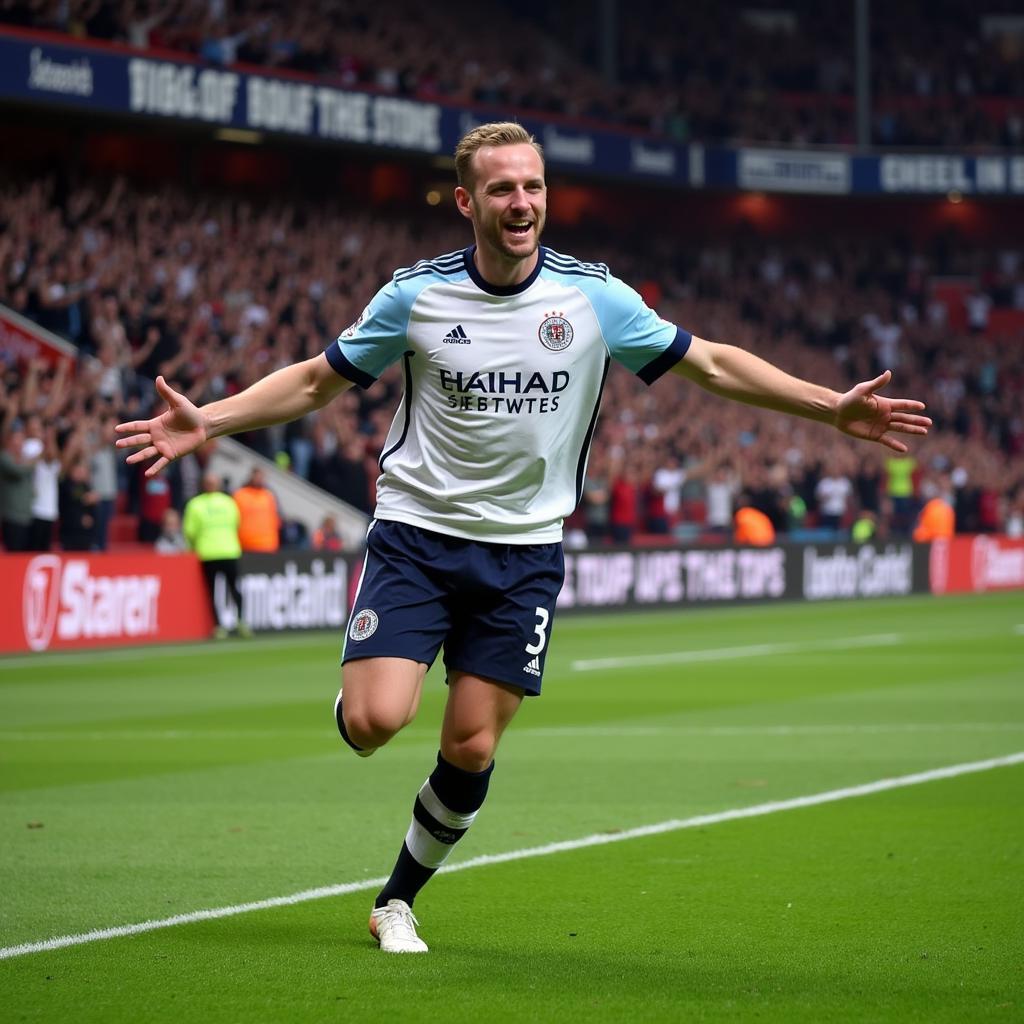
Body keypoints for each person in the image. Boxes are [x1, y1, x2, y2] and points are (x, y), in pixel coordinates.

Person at [115, 121, 931, 954]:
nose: (522, 202)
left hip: (525, 553)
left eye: (534, 186)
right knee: (372, 725)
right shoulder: (417, 295)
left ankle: (396, 899)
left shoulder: (593, 298)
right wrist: (207, 421)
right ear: (467, 201)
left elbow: (713, 365)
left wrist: (830, 405)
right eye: (503, 188)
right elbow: (321, 378)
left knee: (469, 743)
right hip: (417, 533)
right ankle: (363, 690)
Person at [183, 473, 250, 639]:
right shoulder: (228, 502)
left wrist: (192, 547)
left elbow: (189, 532)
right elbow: (237, 524)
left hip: (208, 553)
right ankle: (241, 621)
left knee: (214, 592)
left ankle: (220, 626)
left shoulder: (195, 504)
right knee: (234, 588)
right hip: (229, 551)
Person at [233, 467, 281, 553]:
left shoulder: (269, 496)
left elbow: (276, 519)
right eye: (257, 476)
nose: (259, 479)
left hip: (268, 545)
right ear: (251, 476)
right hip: (245, 545)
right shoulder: (240, 495)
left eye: (262, 477)